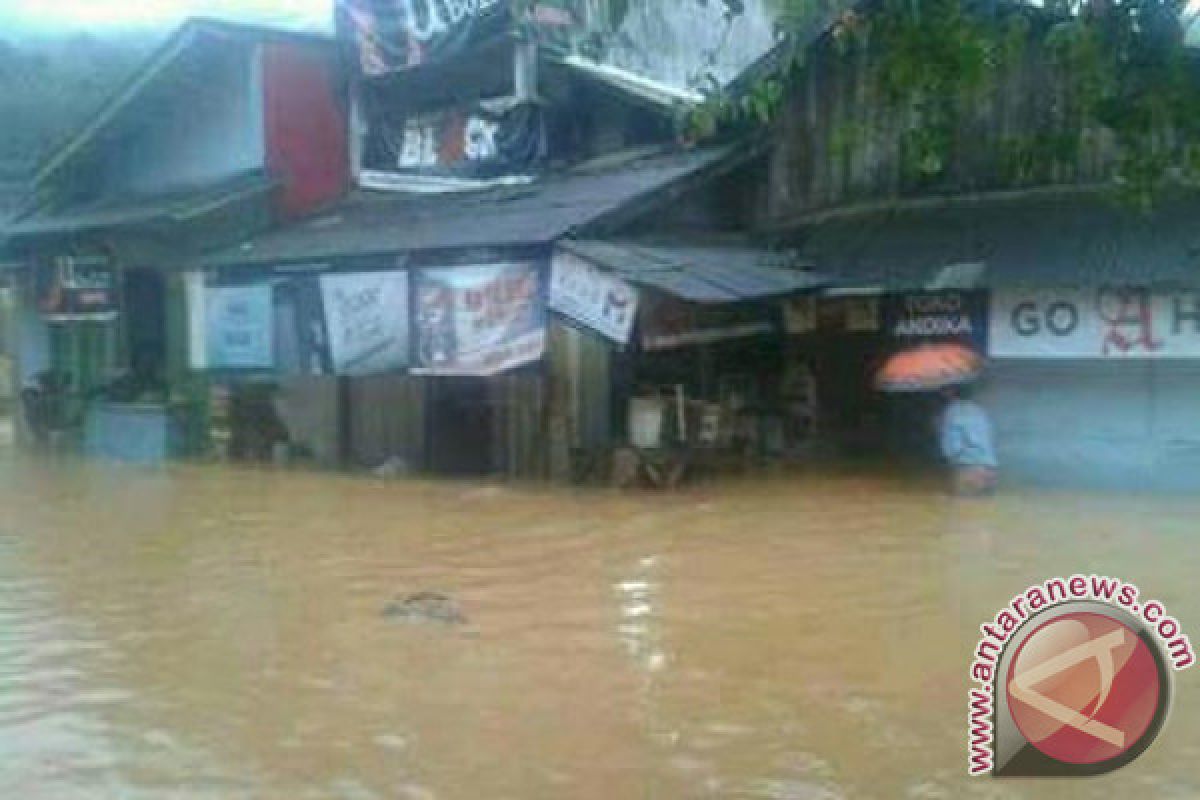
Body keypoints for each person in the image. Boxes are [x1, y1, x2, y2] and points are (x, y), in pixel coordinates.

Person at [938, 385, 998, 496]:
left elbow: (952, 446)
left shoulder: (952, 412)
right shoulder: (980, 411)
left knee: (961, 507)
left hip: (968, 467)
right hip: (990, 467)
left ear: (950, 392)